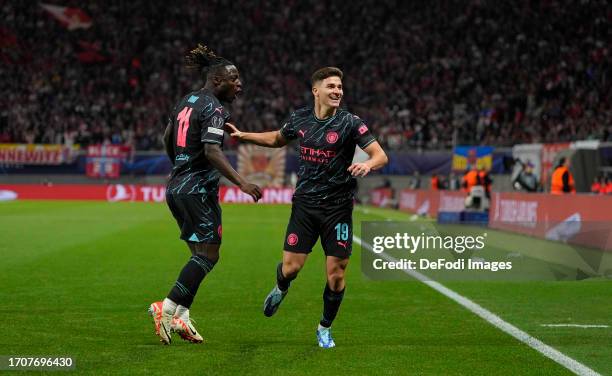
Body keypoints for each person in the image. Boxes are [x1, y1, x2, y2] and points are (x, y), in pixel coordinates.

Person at [226, 67, 388, 348]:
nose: (337, 91)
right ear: (316, 91)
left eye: (339, 86)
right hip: (305, 206)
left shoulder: (351, 123)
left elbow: (380, 155)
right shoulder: (300, 118)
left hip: (338, 208)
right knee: (291, 268)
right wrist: (244, 135)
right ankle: (280, 288)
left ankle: (324, 327)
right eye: (331, 86)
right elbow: (277, 138)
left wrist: (367, 163)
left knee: (336, 274)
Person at [148, 44, 262, 345]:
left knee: (199, 255)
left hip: (176, 187)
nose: (239, 84)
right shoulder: (215, 107)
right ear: (216, 80)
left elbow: (165, 137)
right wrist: (242, 183)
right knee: (210, 255)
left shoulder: (185, 101)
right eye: (234, 79)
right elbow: (212, 151)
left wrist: (180, 166)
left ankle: (182, 318)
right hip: (198, 190)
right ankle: (167, 307)